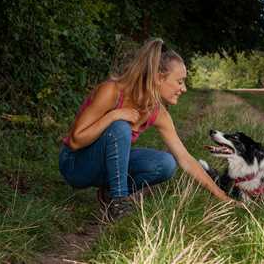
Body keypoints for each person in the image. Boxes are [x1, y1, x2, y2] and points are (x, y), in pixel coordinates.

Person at [59, 38, 235, 221]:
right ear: (159, 78)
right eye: (180, 81)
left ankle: (110, 194)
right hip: (75, 164)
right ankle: (119, 202)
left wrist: (223, 197)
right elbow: (75, 141)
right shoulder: (112, 91)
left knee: (166, 164)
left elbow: (186, 159)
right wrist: (113, 115)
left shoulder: (158, 113)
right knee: (120, 127)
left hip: (104, 166)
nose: (183, 88)